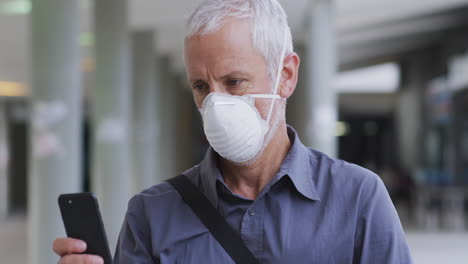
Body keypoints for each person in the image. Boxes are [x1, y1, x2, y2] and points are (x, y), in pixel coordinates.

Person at [53, 0, 413, 263]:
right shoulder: (151, 213)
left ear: (285, 75)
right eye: (201, 87)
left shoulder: (356, 200)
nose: (216, 105)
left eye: (234, 82)